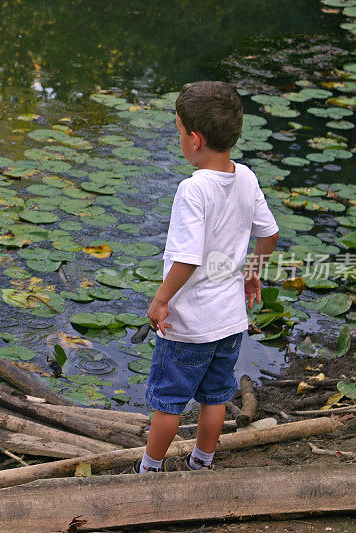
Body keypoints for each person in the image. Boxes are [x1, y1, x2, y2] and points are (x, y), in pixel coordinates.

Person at [131, 81, 280, 473]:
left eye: (179, 130)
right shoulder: (245, 177)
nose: (179, 137)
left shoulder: (193, 190)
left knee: (168, 402)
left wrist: (161, 299)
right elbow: (269, 232)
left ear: (194, 139)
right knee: (215, 397)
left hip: (190, 324)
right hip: (230, 321)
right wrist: (252, 274)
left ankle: (149, 469)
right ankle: (202, 462)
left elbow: (187, 259)